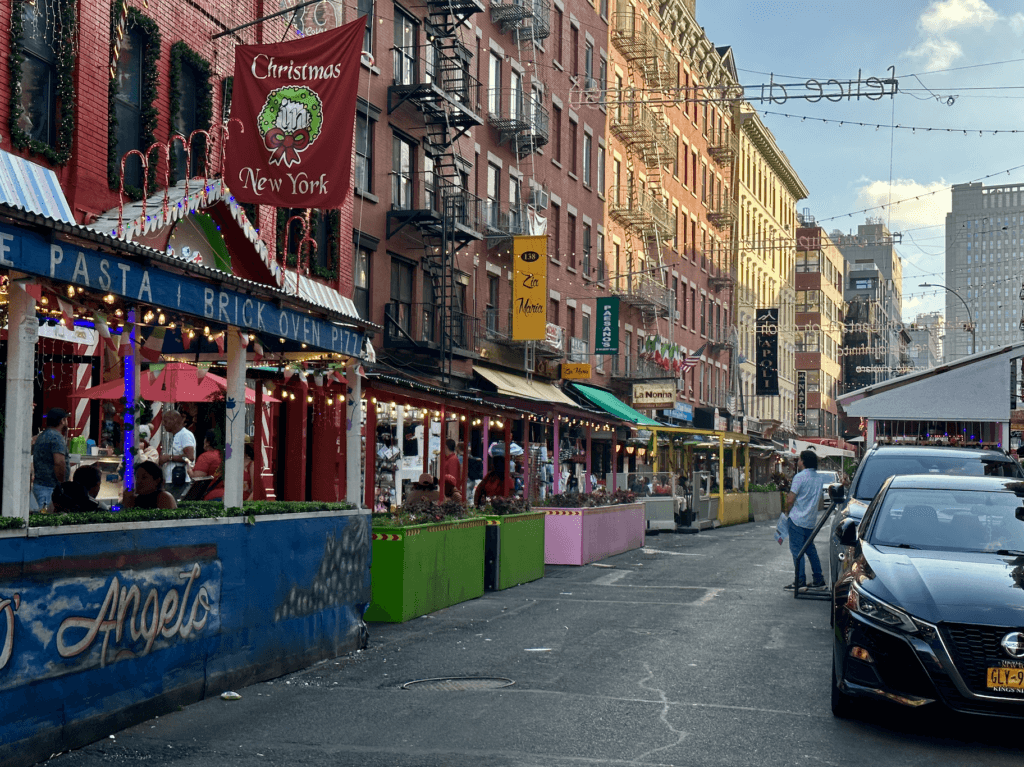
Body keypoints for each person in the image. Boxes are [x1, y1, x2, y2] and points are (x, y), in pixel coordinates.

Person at [784, 449, 825, 591]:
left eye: (800, 459)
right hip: (810, 520)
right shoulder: (819, 479)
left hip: (796, 519)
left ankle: (800, 580)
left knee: (797, 551)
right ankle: (818, 579)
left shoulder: (799, 477)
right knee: (810, 550)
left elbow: (790, 499)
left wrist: (786, 513)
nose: (798, 462)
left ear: (804, 461)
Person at [32, 407, 70, 511]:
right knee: (47, 519)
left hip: (40, 484)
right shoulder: (56, 437)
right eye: (66, 419)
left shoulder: (41, 436)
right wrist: (62, 484)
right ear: (62, 420)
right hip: (50, 488)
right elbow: (59, 462)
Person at [159, 409, 196, 500]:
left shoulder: (185, 435)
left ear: (174, 421)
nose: (163, 424)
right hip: (173, 480)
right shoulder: (177, 435)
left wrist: (169, 457)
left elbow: (190, 457)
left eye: (165, 421)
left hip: (178, 481)